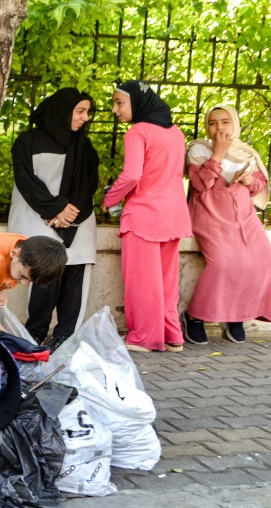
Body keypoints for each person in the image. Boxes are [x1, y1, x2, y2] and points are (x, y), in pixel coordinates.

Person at [103, 80, 192, 353]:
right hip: (173, 216)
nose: (116, 109)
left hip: (143, 216)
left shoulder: (137, 132)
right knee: (166, 281)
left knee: (142, 283)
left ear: (138, 103)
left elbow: (132, 175)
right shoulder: (176, 133)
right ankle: (171, 335)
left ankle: (144, 337)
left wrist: (109, 199)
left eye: (120, 103)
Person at [9, 88, 99, 350]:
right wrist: (55, 210)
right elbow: (27, 182)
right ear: (62, 111)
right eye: (79, 111)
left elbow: (88, 184)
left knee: (74, 278)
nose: (85, 118)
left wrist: (70, 213)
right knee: (42, 277)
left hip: (78, 223)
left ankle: (65, 338)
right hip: (38, 220)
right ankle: (35, 334)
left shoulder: (85, 147)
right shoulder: (28, 142)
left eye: (87, 112)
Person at [182, 104, 271, 344]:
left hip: (243, 215)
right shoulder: (198, 149)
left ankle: (236, 316)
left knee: (264, 261)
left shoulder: (246, 152)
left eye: (225, 121)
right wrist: (217, 153)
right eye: (212, 122)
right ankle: (194, 316)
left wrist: (249, 180)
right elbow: (199, 185)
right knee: (224, 262)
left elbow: (258, 187)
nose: (219, 127)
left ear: (234, 123)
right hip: (209, 212)